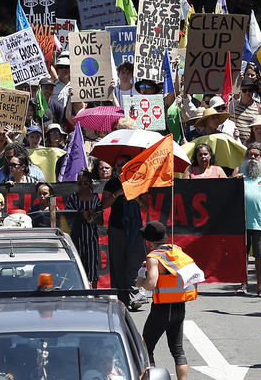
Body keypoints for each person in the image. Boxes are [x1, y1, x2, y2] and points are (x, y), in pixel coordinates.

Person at [137, 221, 203, 380]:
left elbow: (151, 283)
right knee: (178, 350)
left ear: (149, 242)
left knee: (146, 348)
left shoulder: (153, 257)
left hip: (161, 309)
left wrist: (141, 283)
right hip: (180, 307)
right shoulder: (176, 250)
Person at [232, 142, 261, 298]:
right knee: (241, 255)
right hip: (240, 222)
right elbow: (227, 194)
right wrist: (235, 182)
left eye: (256, 155)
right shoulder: (238, 171)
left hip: (260, 221)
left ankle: (260, 287)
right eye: (250, 154)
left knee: (260, 255)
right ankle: (243, 284)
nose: (252, 157)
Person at [101, 154, 148, 310]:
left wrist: (137, 198)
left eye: (125, 164)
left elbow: (146, 207)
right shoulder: (112, 183)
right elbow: (104, 205)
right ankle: (121, 299)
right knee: (118, 265)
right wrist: (118, 193)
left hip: (135, 229)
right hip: (117, 228)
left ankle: (134, 296)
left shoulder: (139, 182)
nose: (121, 167)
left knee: (134, 263)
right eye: (119, 164)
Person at [65, 171, 103, 287]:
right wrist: (81, 215)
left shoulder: (95, 199)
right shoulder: (73, 198)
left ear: (90, 183)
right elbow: (68, 218)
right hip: (76, 237)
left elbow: (101, 221)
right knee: (77, 264)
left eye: (85, 183)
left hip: (91, 237)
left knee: (92, 266)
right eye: (80, 183)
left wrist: (93, 216)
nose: (82, 186)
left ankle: (94, 292)